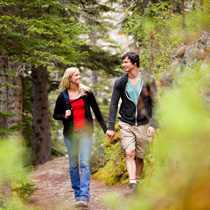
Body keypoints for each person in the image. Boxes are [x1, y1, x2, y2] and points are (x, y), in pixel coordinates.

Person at [105, 52, 158, 197]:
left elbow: (156, 104)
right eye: (123, 62)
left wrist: (153, 124)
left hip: (144, 124)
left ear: (134, 63)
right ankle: (132, 183)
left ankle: (137, 183)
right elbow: (114, 105)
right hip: (126, 123)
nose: (123, 65)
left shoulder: (148, 80)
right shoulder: (120, 82)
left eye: (126, 62)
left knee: (140, 156)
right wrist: (110, 127)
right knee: (130, 152)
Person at [53, 67, 107, 208]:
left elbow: (97, 112)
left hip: (85, 134)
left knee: (84, 164)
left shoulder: (86, 93)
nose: (79, 76)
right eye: (76, 75)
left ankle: (84, 196)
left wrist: (106, 129)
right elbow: (55, 115)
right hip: (70, 136)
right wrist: (64, 115)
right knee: (73, 166)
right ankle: (77, 195)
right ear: (69, 78)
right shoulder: (63, 96)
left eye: (79, 74)